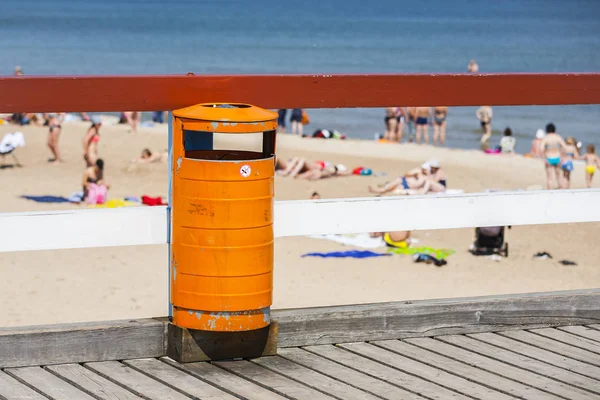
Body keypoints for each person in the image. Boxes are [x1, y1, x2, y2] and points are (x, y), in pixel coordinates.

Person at [368, 165, 433, 195]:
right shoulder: (418, 171)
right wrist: (413, 174)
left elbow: (425, 186)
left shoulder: (427, 177)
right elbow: (406, 174)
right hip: (403, 180)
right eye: (423, 168)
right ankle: (377, 190)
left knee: (391, 188)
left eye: (425, 169)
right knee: (391, 186)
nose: (423, 170)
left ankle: (380, 192)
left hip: (407, 186)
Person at [540, 123, 566, 190]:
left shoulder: (546, 138)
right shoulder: (558, 137)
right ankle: (562, 189)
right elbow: (564, 147)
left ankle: (550, 191)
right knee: (559, 176)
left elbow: (541, 149)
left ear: (546, 130)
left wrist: (544, 159)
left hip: (549, 158)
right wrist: (562, 157)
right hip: (557, 158)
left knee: (549, 177)